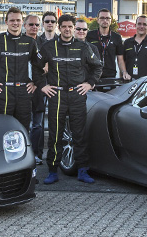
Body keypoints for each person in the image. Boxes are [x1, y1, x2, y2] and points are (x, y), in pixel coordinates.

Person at [37, 14, 102, 184]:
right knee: (55, 134)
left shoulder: (83, 47)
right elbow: (36, 67)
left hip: (77, 94)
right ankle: (52, 171)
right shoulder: (48, 47)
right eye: (64, 26)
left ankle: (82, 170)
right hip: (56, 95)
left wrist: (90, 84)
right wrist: (43, 85)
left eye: (70, 26)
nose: (67, 29)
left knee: (79, 134)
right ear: (59, 28)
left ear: (74, 28)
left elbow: (97, 67)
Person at [0, 7, 43, 144]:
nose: (15, 23)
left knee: (23, 130)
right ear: (6, 22)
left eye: (18, 20)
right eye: (12, 20)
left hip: (24, 93)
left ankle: (23, 163)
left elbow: (38, 65)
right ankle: (3, 163)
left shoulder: (30, 42)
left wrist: (35, 82)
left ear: (22, 22)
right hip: (3, 92)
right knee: (3, 130)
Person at [23, 14, 46, 163]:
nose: (34, 27)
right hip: (21, 88)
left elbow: (47, 67)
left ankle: (36, 154)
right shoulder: (17, 41)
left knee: (37, 124)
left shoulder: (44, 44)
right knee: (22, 123)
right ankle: (23, 155)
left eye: (37, 25)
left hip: (38, 88)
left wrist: (35, 82)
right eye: (31, 24)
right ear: (25, 25)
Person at [86, 8, 123, 79]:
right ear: (98, 20)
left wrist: (124, 72)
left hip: (110, 74)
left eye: (107, 18)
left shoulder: (117, 37)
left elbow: (120, 59)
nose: (105, 20)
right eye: (102, 18)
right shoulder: (90, 35)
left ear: (111, 20)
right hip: (93, 74)